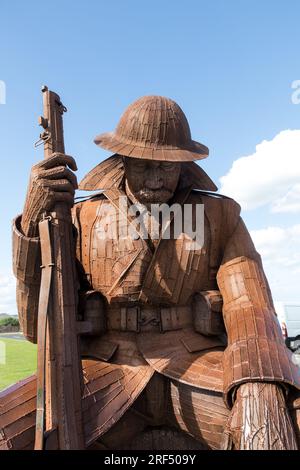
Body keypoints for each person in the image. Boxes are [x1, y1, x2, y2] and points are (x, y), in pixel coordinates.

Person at [2, 96, 300, 450]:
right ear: (123, 160)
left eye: (167, 166)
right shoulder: (81, 217)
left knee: (282, 421)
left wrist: (258, 382)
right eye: (144, 165)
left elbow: (250, 305)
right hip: (105, 370)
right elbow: (36, 326)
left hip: (199, 364)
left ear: (183, 164)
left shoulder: (220, 216)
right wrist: (35, 218)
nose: (157, 178)